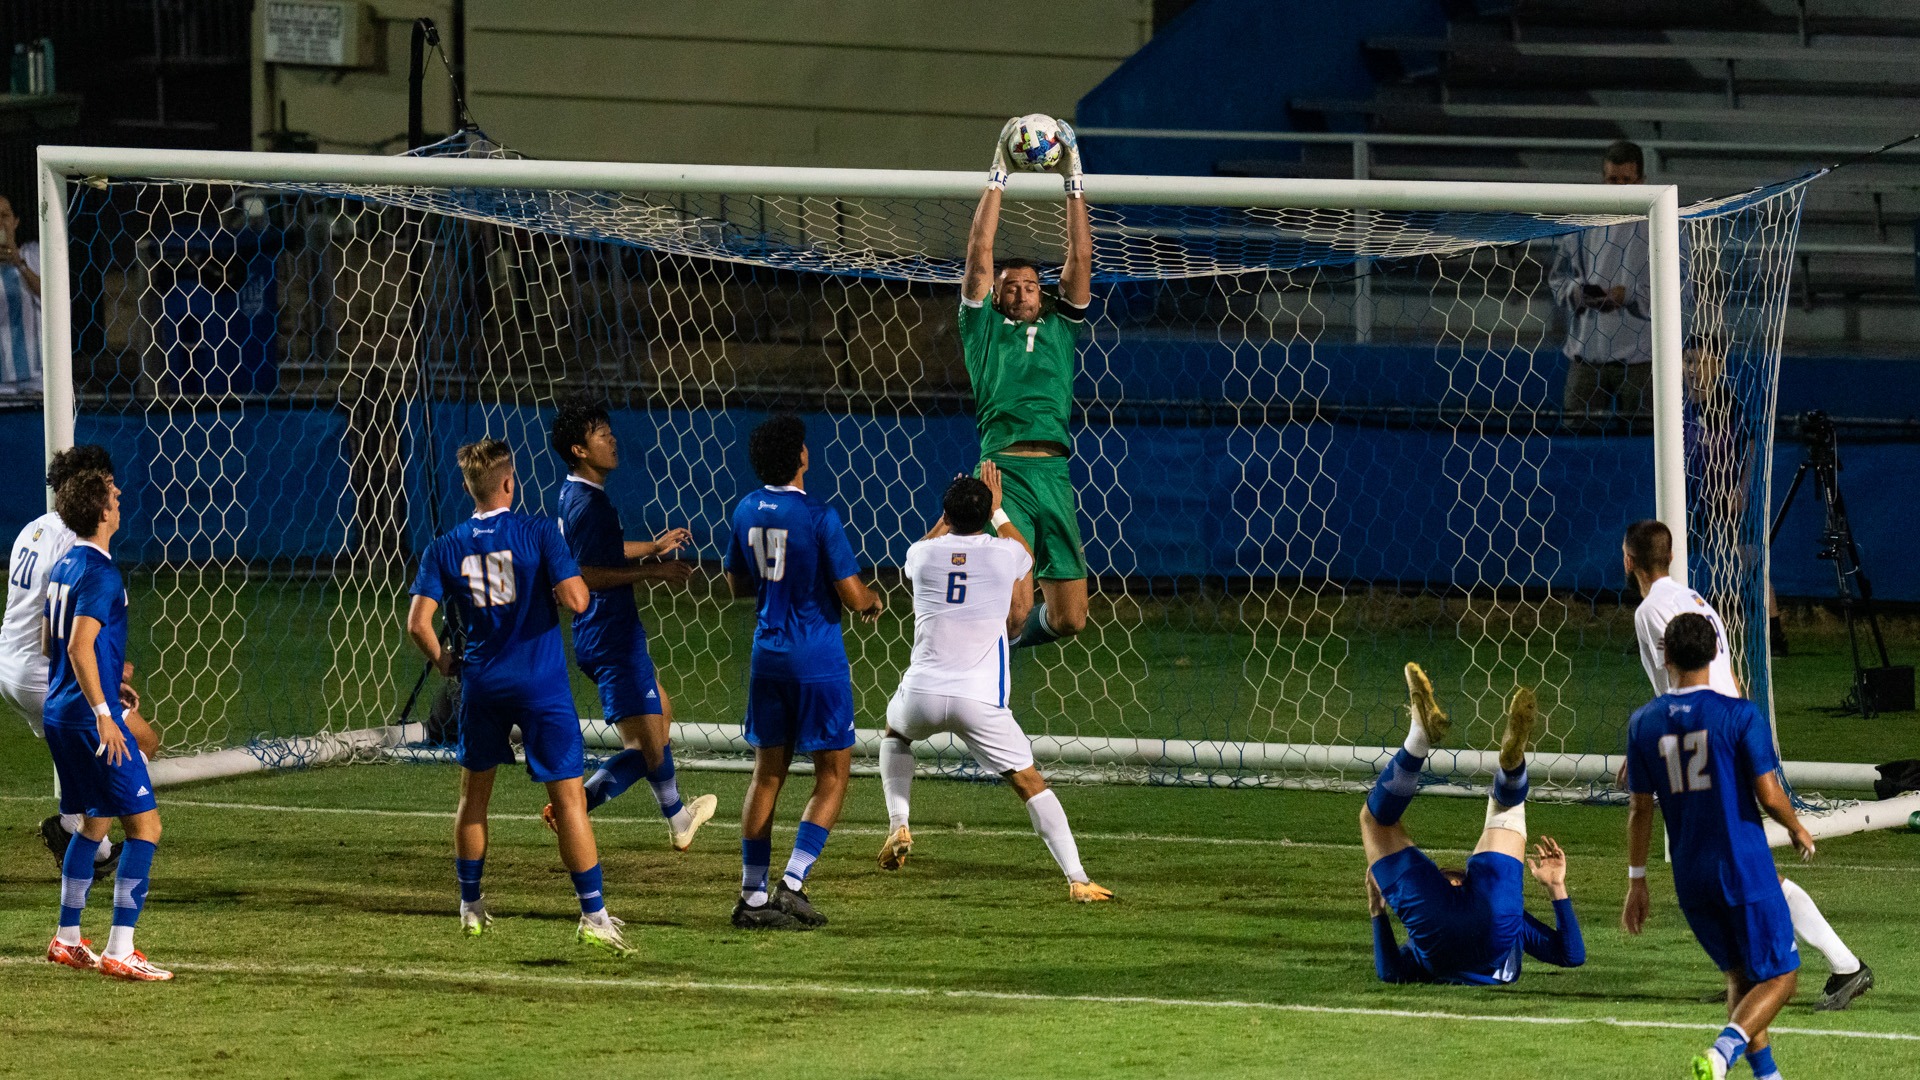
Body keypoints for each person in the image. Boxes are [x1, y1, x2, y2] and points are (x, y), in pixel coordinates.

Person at [1624, 519, 1872, 1010]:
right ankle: (1757, 971)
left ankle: (1839, 965)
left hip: (1710, 740)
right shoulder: (1698, 602)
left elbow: (1674, 684)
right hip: (1726, 732)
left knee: (1743, 868)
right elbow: (1727, 671)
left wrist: (1666, 736)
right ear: (1670, 557)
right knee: (1739, 865)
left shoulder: (1651, 610)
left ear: (1627, 558)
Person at [405, 437, 632, 955]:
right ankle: (594, 917)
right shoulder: (537, 532)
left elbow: (419, 623)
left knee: (473, 798)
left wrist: (444, 661)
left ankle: (470, 907)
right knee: (568, 801)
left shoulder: (445, 545)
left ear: (471, 488)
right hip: (540, 685)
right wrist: (555, 586)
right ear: (509, 483)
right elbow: (577, 599)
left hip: (481, 684)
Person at [875, 465, 1112, 902]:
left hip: (922, 693)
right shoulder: (1004, 553)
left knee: (895, 736)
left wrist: (946, 516)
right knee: (1028, 782)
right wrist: (999, 511)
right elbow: (1025, 553)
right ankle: (1078, 878)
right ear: (985, 516)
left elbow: (927, 544)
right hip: (979, 700)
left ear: (946, 514)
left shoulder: (921, 555)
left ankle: (899, 823)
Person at [1623, 613, 1817, 1080]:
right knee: (1782, 976)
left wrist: (1637, 880)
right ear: (1715, 653)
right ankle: (1722, 1052)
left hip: (1690, 875)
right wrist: (1796, 827)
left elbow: (1640, 810)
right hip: (1743, 867)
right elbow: (1769, 795)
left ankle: (1767, 1076)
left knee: (1739, 976)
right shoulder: (1740, 714)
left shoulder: (1643, 723)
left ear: (1664, 656)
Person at [723, 415, 884, 930]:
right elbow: (851, 592)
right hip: (815, 662)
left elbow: (735, 584)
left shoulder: (746, 508)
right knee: (833, 774)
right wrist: (871, 601)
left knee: (767, 774)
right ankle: (791, 883)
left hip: (767, 655)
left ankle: (751, 897)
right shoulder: (819, 516)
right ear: (801, 458)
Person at [546, 400, 717, 850]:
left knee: (660, 716)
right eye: (601, 434)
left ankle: (677, 818)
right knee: (647, 747)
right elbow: (585, 572)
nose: (612, 439)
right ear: (579, 450)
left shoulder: (576, 494)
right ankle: (581, 806)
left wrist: (652, 547)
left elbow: (606, 548)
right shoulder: (589, 505)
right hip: (610, 636)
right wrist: (654, 570)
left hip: (606, 633)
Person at [1360, 665, 1584, 985]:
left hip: (1453, 929)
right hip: (1489, 922)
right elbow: (1570, 956)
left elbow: (1390, 973)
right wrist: (1557, 887)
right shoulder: (1514, 924)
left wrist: (1377, 910)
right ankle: (1502, 763)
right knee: (1376, 821)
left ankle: (1428, 740)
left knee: (1505, 809)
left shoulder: (1421, 948)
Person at [960, 116, 1092, 650]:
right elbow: (978, 254)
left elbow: (1080, 256)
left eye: (1031, 286)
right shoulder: (983, 328)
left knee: (1068, 619)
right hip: (1005, 473)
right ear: (996, 296)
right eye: (1010, 287)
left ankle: (997, 652)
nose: (1020, 293)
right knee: (1014, 607)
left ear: (1045, 293)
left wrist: (1073, 176)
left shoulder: (1061, 323)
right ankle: (978, 687)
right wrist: (999, 172)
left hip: (1055, 473)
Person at [2, 445, 159, 871]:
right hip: (46, 673)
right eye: (108, 484)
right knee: (139, 743)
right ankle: (75, 829)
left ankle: (89, 842)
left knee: (86, 763)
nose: (116, 493)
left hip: (12, 667)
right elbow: (66, 635)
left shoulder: (33, 528)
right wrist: (102, 678)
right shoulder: (77, 544)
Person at [41, 469, 170, 980]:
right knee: (146, 827)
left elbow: (54, 644)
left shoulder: (65, 565)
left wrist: (109, 681)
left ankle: (66, 938)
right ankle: (121, 948)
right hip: (89, 720)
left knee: (94, 822)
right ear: (102, 513)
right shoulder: (100, 573)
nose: (120, 501)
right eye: (114, 497)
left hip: (59, 712)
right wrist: (103, 713)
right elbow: (76, 645)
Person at [1550, 140, 1652, 426]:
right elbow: (1558, 278)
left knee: (1644, 446)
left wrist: (1629, 294)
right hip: (1587, 354)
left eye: (1626, 181)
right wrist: (1577, 293)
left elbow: (1677, 285)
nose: (1618, 187)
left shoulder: (1661, 224)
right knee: (1577, 444)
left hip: (1641, 359)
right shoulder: (1582, 222)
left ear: (1642, 182)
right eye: (1612, 180)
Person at [0, 194, 42, 393]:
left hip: (35, 374)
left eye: (4, 215)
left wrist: (18, 262)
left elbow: (52, 297)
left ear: (15, 222)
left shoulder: (33, 254)